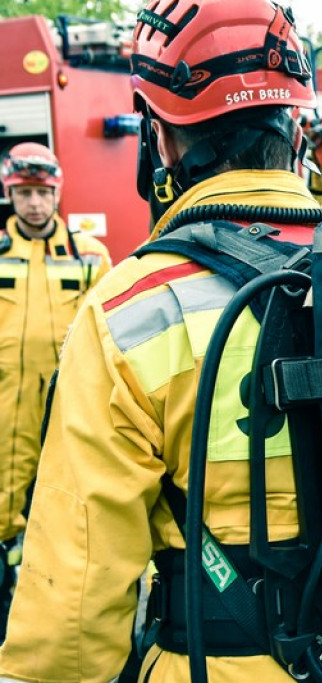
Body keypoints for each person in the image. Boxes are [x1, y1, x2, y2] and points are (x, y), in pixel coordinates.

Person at [0, 0, 322, 679]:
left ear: (160, 140)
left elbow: (74, 601)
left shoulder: (129, 308)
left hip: (217, 660)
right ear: (296, 127)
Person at [0, 142, 111, 639]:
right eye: (24, 193)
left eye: (42, 193)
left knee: (65, 503)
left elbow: (109, 329)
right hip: (5, 405)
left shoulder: (90, 255)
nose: (35, 204)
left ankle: (59, 611)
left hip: (66, 405)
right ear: (10, 193)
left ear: (57, 191)